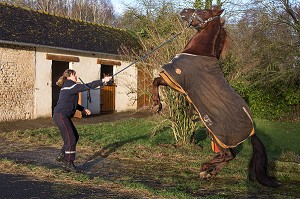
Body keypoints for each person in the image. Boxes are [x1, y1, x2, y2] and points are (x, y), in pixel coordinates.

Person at [53, 69, 112, 172]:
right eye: (74, 75)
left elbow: (72, 103)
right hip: (61, 115)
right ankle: (68, 163)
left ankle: (63, 155)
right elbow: (88, 86)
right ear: (69, 76)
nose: (76, 76)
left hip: (62, 115)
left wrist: (83, 109)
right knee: (71, 138)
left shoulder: (68, 86)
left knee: (74, 136)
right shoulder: (70, 86)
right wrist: (103, 80)